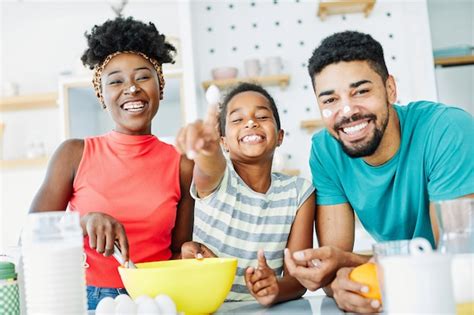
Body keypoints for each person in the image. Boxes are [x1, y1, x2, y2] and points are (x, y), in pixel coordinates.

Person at [284, 31, 474, 313]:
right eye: (330, 100)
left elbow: (450, 261)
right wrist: (338, 284)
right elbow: (333, 263)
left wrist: (348, 265)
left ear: (390, 89)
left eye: (361, 91)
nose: (347, 111)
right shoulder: (326, 150)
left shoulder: (447, 129)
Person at [29, 17, 194, 310]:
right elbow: (32, 234)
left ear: (160, 86)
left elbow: (178, 252)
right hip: (86, 300)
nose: (131, 89)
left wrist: (194, 256)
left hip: (156, 300)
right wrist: (83, 221)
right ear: (101, 94)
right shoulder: (73, 154)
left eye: (143, 77)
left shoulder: (182, 165)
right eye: (116, 81)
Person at [175, 83, 315, 306]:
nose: (251, 122)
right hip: (206, 307)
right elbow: (209, 167)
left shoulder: (299, 193)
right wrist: (207, 149)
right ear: (223, 142)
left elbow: (298, 279)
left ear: (280, 136)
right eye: (237, 120)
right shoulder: (217, 179)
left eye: (261, 116)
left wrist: (274, 287)